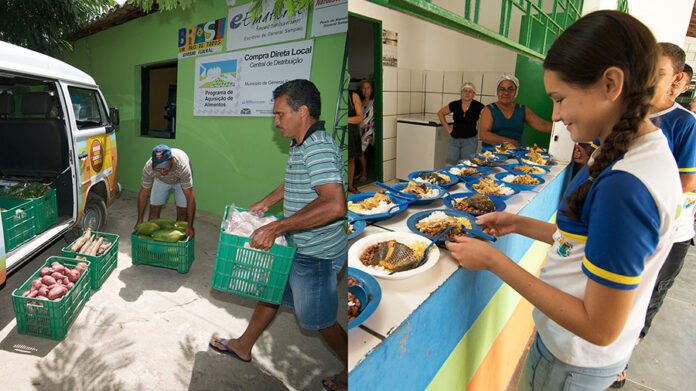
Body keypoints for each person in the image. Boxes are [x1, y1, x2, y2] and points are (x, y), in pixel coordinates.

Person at [446, 11, 681, 390]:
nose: (556, 114)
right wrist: (521, 224)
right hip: (568, 353)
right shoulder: (633, 153)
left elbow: (600, 326)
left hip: (574, 363)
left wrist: (494, 260)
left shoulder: (628, 185)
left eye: (560, 98)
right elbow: (590, 241)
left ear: (611, 84)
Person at [208, 80, 348, 391]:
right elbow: (297, 182)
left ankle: (354, 368)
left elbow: (335, 205)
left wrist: (276, 226)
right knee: (270, 291)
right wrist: (268, 202)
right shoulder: (301, 143)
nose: (276, 121)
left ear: (302, 111)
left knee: (320, 321)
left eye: (279, 114)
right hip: (298, 245)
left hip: (317, 255)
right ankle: (244, 345)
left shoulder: (319, 146)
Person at [135, 144, 195, 237]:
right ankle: (154, 243)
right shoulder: (149, 167)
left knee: (182, 212)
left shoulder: (183, 167)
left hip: (180, 181)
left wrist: (190, 226)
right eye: (158, 167)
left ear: (171, 159)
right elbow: (144, 193)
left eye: (164, 167)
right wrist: (139, 219)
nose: (162, 171)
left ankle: (176, 244)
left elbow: (190, 198)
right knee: (153, 211)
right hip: (161, 180)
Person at [478, 74, 552, 147]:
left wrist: (561, 128)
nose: (506, 93)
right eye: (502, 89)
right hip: (491, 155)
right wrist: (509, 142)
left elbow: (543, 125)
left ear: (515, 91)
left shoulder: (522, 110)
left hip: (515, 155)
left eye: (510, 89)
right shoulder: (490, 109)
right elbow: (484, 135)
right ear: (497, 91)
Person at [437, 82, 485, 165]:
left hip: (470, 141)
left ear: (473, 94)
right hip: (454, 140)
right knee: (449, 165)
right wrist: (448, 128)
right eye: (465, 91)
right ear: (461, 93)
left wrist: (482, 133)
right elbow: (440, 113)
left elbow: (488, 117)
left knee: (466, 166)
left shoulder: (478, 106)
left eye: (470, 91)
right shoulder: (455, 104)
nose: (467, 93)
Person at [357, 80, 375, 182]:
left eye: (368, 88)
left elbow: (377, 120)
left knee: (360, 153)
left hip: (369, 132)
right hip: (360, 130)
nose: (366, 90)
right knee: (358, 154)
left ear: (371, 90)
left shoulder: (374, 103)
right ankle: (360, 172)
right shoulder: (360, 102)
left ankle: (364, 173)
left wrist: (375, 137)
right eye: (363, 88)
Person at [347, 87, 364, 193]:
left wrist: (344, 119)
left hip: (351, 133)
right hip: (337, 131)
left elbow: (360, 117)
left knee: (350, 159)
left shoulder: (353, 96)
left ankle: (350, 185)